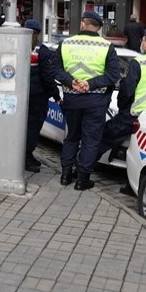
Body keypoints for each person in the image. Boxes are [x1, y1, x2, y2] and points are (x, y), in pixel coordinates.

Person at [48, 11, 121, 191]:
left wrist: (71, 82)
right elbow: (113, 75)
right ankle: (82, 180)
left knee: (72, 137)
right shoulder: (107, 46)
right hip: (96, 102)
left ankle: (65, 175)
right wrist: (90, 84)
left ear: (82, 24)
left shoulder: (66, 44)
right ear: (98, 27)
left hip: (72, 100)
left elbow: (55, 69)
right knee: (90, 141)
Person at [97, 28, 146, 161]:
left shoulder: (138, 62)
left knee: (103, 137)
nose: (141, 43)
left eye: (143, 41)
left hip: (133, 115)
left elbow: (127, 90)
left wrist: (123, 108)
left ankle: (81, 173)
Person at [24, 19, 60, 173]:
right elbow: (47, 77)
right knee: (32, 128)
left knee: (21, 127)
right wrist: (56, 95)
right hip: (37, 98)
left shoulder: (15, 46)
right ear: (37, 34)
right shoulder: (42, 51)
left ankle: (22, 155)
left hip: (20, 96)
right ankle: (26, 157)